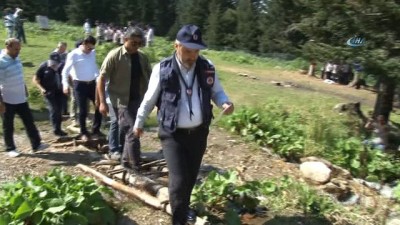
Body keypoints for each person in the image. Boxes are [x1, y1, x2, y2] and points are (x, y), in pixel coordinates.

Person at [133, 24, 234, 225]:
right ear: (176, 46)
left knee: (189, 178)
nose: (192, 56)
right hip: (172, 135)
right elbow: (149, 99)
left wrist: (225, 101)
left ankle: (183, 207)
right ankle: (178, 220)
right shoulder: (162, 69)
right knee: (178, 182)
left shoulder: (207, 67)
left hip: (199, 133)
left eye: (196, 51)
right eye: (188, 50)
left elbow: (217, 91)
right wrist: (139, 122)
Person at [97, 28, 151, 163]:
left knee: (123, 125)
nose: (137, 46)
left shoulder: (142, 57)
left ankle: (123, 153)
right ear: (125, 40)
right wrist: (102, 102)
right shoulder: (115, 55)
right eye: (134, 43)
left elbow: (150, 78)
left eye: (139, 43)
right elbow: (101, 79)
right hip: (119, 99)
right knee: (130, 128)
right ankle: (126, 157)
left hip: (136, 99)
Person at [0, 38, 48, 157]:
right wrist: (0, 103)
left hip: (21, 97)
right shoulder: (1, 61)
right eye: (16, 49)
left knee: (29, 121)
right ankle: (10, 148)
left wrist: (25, 89)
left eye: (19, 49)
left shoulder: (16, 58)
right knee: (8, 124)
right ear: (8, 47)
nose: (18, 51)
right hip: (7, 98)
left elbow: (20, 75)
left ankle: (36, 144)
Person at [61, 36, 102, 141]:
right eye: (88, 48)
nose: (90, 50)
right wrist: (65, 85)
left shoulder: (92, 53)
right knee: (83, 110)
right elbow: (65, 71)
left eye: (92, 48)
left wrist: (99, 79)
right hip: (80, 85)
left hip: (92, 83)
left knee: (99, 105)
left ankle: (96, 129)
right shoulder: (74, 54)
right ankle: (83, 132)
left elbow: (93, 67)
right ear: (83, 44)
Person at [33, 52, 67, 137]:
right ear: (50, 60)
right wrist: (41, 89)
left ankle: (59, 129)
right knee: (54, 109)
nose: (55, 65)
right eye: (54, 63)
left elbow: (66, 76)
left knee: (59, 110)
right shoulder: (43, 66)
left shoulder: (61, 66)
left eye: (57, 63)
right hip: (49, 92)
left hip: (59, 91)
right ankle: (56, 130)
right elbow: (36, 79)